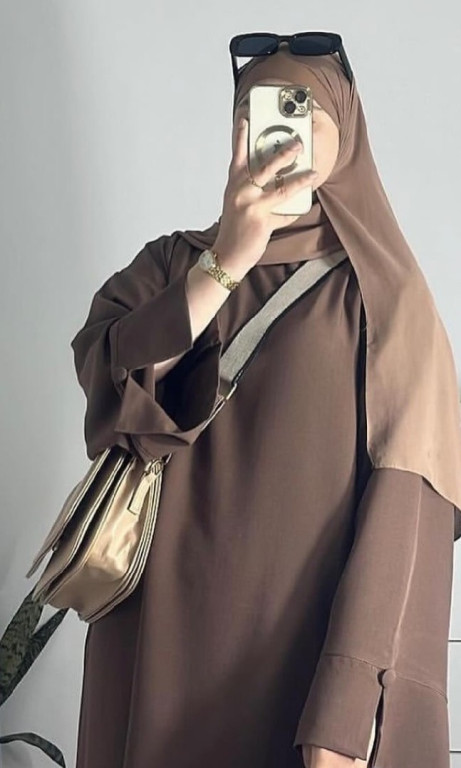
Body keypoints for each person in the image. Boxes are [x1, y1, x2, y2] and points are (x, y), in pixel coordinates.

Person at [71, 39, 461, 768]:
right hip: (157, 649)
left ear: (346, 131)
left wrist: (347, 705)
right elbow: (111, 382)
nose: (277, 128)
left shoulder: (382, 296)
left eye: (300, 108)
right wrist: (226, 261)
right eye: (251, 112)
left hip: (294, 659)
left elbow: (407, 505)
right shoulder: (170, 263)